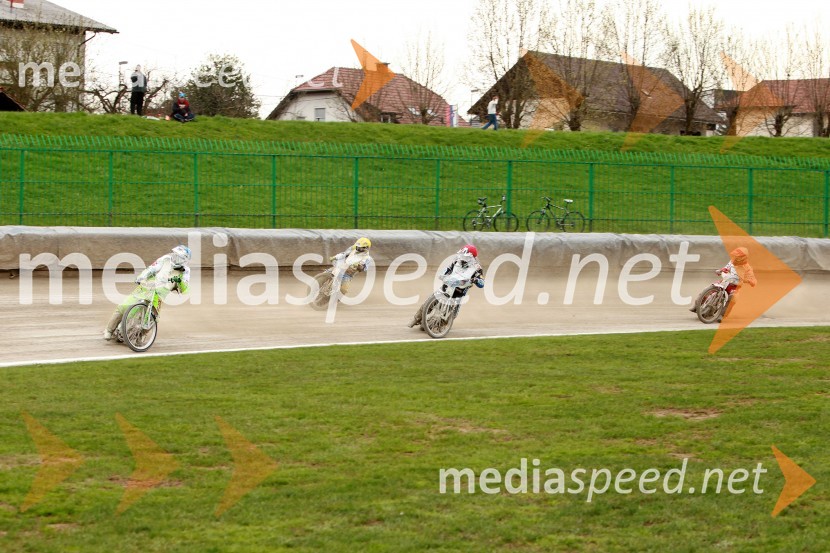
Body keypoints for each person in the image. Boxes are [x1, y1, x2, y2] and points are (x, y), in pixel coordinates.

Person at [104, 245, 192, 340]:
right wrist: (141, 276)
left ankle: (140, 335)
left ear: (184, 260)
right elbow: (152, 268)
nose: (175, 257)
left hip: (159, 294)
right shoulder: (166, 259)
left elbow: (185, 289)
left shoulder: (185, 271)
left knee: (153, 318)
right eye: (175, 254)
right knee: (124, 306)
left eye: (178, 256)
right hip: (148, 286)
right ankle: (109, 330)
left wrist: (180, 281)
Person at [408, 244, 485, 328]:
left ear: (471, 257)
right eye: (462, 255)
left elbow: (482, 283)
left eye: (465, 256)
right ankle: (416, 318)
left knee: (451, 317)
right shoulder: (456, 261)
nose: (462, 257)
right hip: (448, 286)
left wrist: (476, 280)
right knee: (427, 302)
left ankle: (432, 325)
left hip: (459, 292)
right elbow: (447, 269)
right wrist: (443, 275)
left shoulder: (477, 268)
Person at [690, 246, 757, 320]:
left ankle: (722, 315)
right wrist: (721, 271)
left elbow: (753, 280)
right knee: (707, 288)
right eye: (734, 256)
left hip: (734, 287)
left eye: (737, 256)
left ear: (742, 258)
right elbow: (726, 268)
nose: (734, 257)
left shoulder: (747, 268)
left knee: (733, 298)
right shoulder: (732, 261)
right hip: (724, 281)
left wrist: (751, 281)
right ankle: (696, 305)